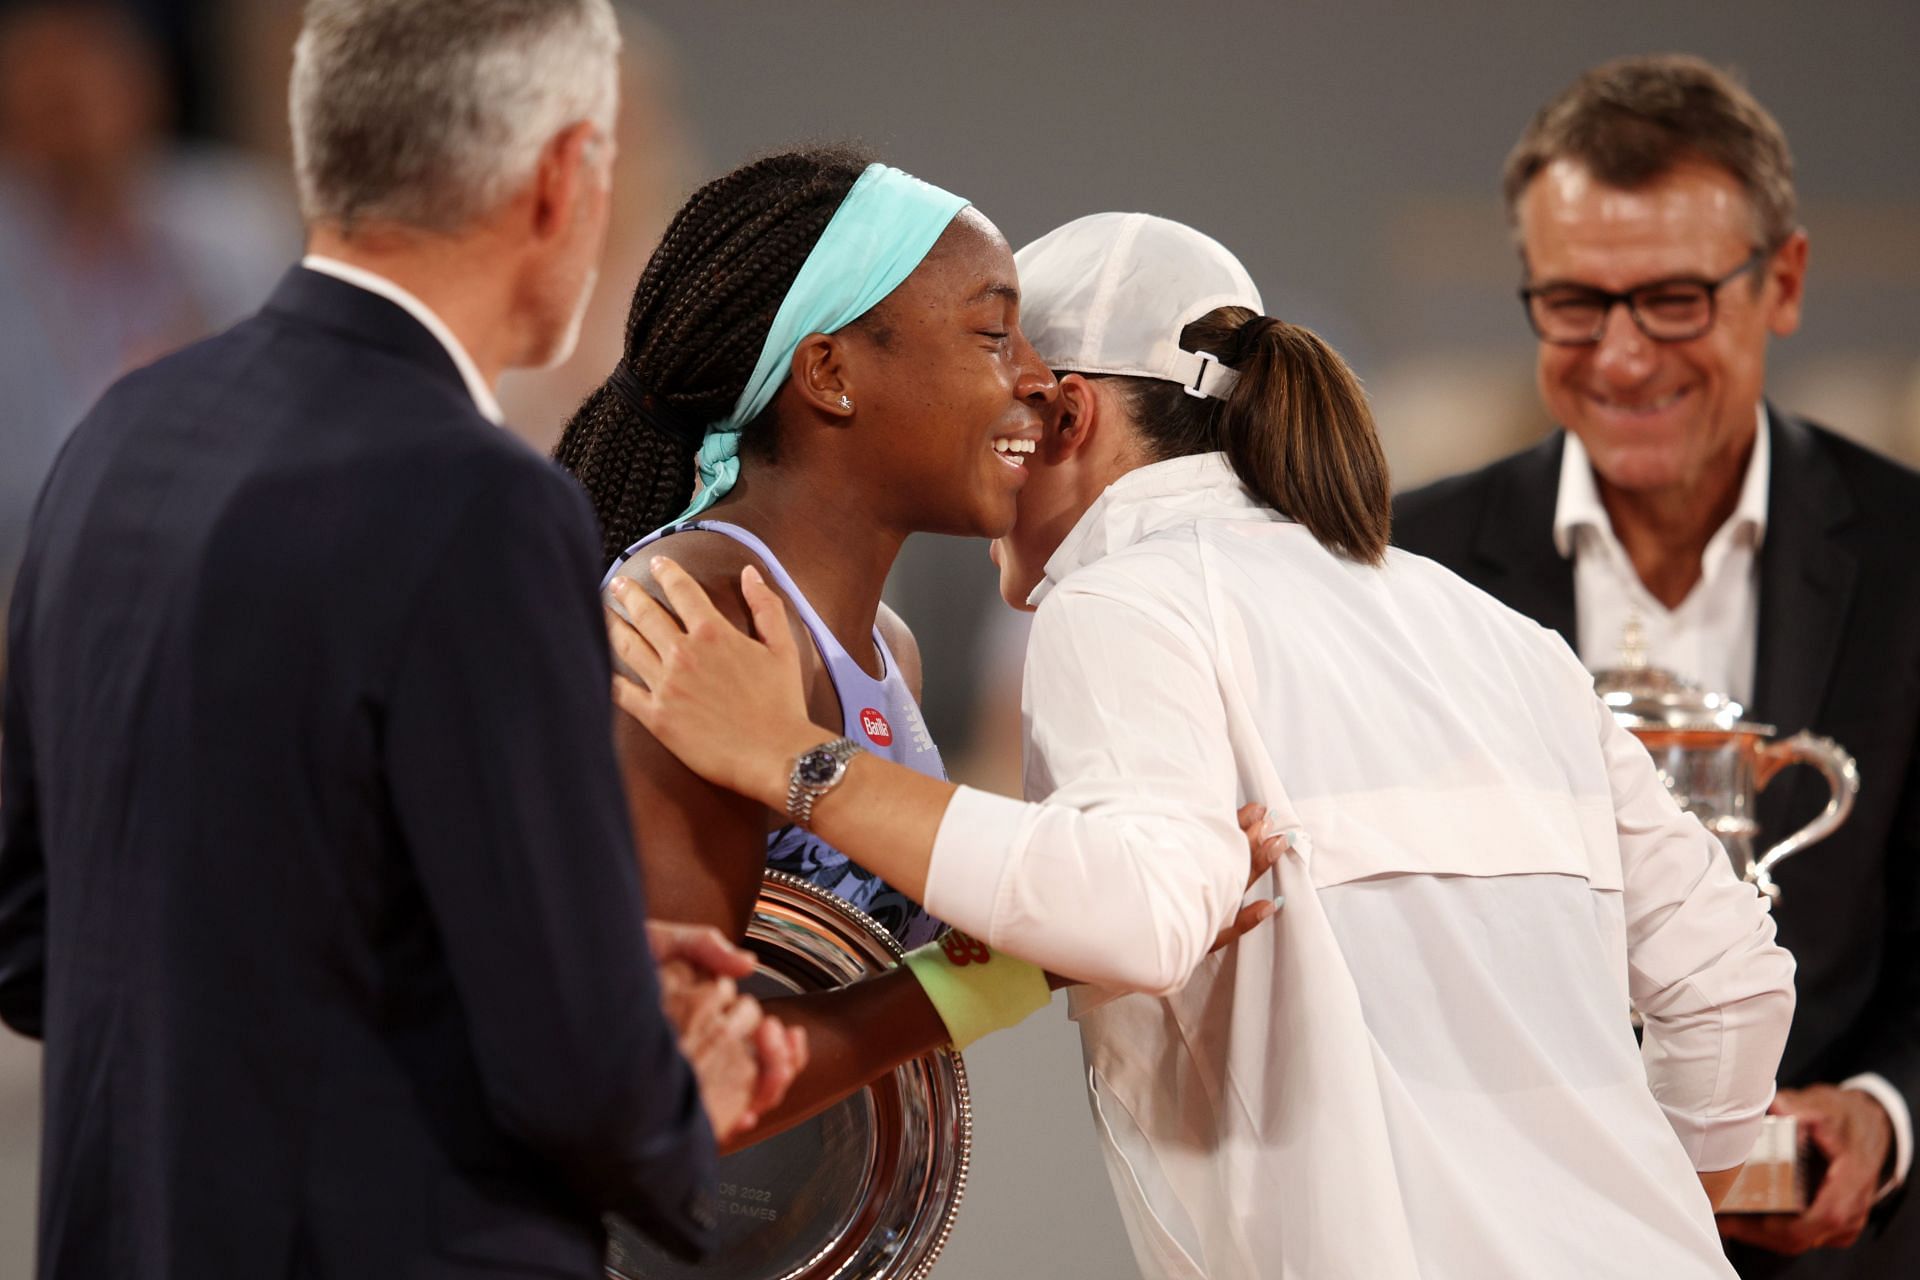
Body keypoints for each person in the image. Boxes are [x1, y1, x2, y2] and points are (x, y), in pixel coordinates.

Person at [607, 210, 1798, 1278]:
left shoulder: (1122, 600)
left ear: (1063, 413)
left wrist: (798, 761)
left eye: (1013, 382)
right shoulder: (1498, 630)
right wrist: (1620, 1217)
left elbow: (1138, 913)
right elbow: (1733, 981)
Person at [0, 2, 802, 1276]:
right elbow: (570, 1076)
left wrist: (549, 941)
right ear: (563, 178)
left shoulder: (120, 437)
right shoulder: (483, 498)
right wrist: (669, 1103)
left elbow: (38, 930)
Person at [1393, 54, 1920, 1277]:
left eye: (1674, 299)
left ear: (1781, 282)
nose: (1623, 359)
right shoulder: (1403, 561)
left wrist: (1885, 1111)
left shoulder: (1908, 556)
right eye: (1574, 302)